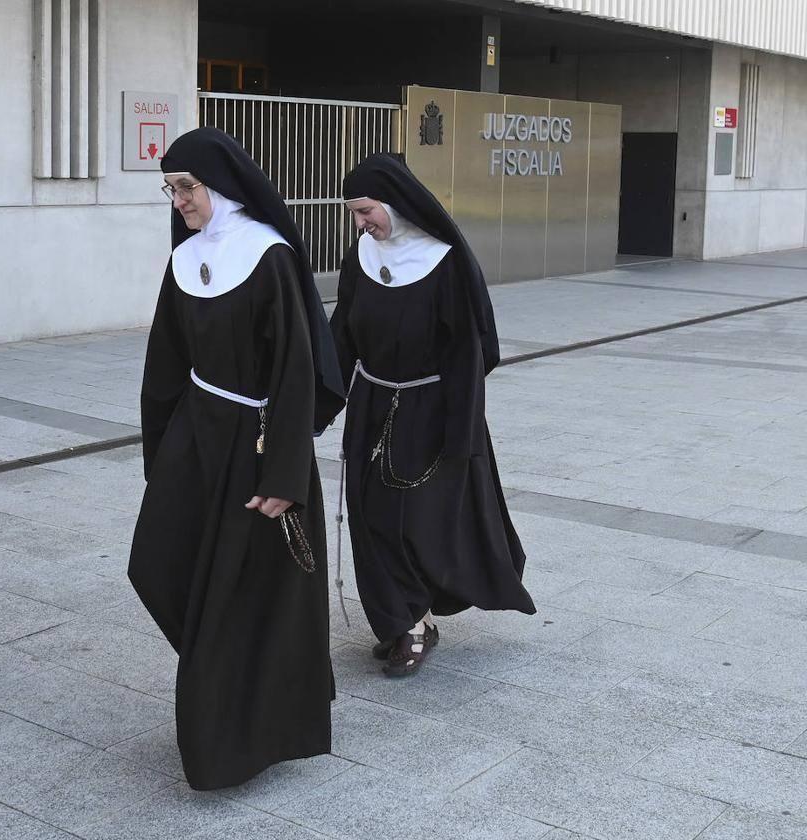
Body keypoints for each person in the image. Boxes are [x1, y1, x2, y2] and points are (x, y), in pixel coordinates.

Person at [128, 127, 347, 790]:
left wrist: (284, 473)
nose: (179, 202)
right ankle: (224, 685)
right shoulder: (187, 259)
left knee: (241, 591)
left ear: (218, 186)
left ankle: (230, 733)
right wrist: (162, 455)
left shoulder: (268, 256)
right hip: (197, 439)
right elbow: (165, 364)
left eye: (186, 188)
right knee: (158, 563)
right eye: (170, 190)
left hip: (256, 444)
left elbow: (296, 370)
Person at [328, 153, 534, 678]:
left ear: (394, 203)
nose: (361, 223)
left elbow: (469, 351)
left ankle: (414, 619)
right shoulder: (362, 256)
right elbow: (342, 337)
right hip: (373, 404)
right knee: (372, 518)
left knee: (414, 521)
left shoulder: (443, 261)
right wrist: (317, 403)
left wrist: (461, 435)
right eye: (354, 214)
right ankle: (404, 620)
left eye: (366, 211)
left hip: (430, 409)